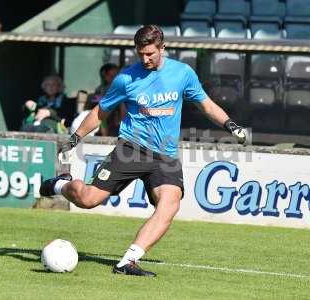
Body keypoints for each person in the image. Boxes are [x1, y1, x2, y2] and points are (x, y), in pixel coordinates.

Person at [40, 25, 248, 277]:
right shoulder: (126, 78)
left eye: (150, 53)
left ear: (163, 48)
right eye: (141, 54)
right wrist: (75, 138)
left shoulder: (182, 74)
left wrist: (230, 125)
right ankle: (62, 185)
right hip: (131, 149)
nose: (145, 59)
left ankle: (127, 261)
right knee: (88, 200)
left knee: (170, 205)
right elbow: (100, 112)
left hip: (165, 156)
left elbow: (205, 104)